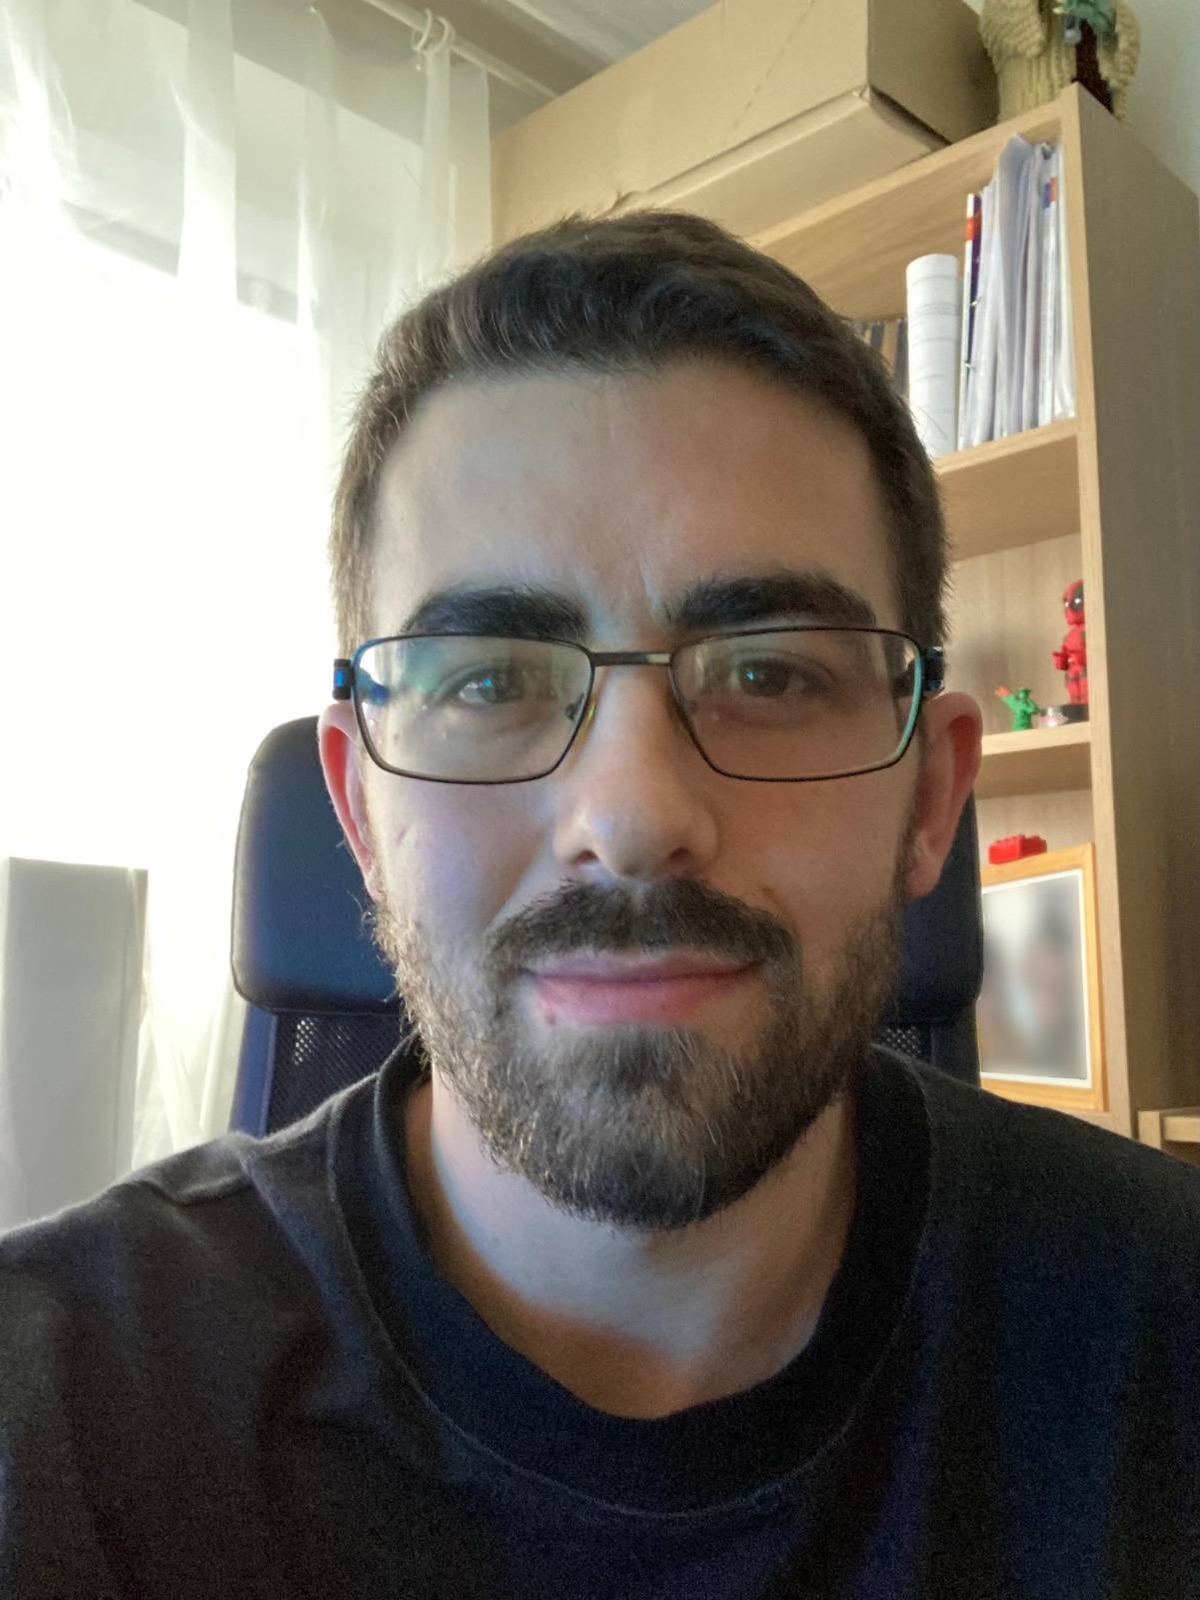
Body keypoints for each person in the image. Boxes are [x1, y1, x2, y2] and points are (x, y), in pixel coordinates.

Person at [1, 213, 1198, 1600]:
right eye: (491, 681)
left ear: (931, 798)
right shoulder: (55, 1420)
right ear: (361, 814)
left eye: (768, 673)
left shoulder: (1163, 1335)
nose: (631, 820)